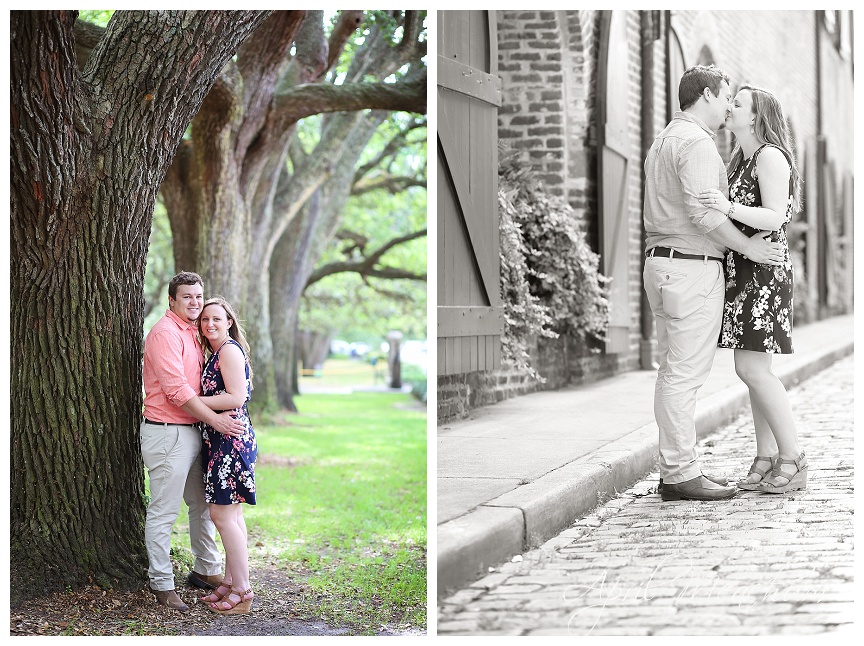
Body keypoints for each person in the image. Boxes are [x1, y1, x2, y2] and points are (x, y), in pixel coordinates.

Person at [642, 65, 785, 502]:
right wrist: (750, 249)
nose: (727, 106)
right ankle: (680, 471)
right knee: (683, 376)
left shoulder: (663, 139)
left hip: (662, 265)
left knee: (672, 372)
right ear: (706, 95)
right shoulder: (699, 143)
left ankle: (676, 466)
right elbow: (706, 215)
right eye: (726, 97)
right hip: (690, 268)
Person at [697, 84, 806, 494]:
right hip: (745, 268)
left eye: (737, 104)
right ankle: (765, 456)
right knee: (755, 372)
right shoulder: (740, 159)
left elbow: (775, 215)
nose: (729, 108)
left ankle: (793, 458)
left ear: (757, 117)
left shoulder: (770, 156)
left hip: (764, 272)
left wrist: (726, 207)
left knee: (752, 369)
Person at [141, 272, 246, 611]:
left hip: (193, 432)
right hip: (168, 431)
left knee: (202, 507)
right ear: (171, 300)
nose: (194, 302)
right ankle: (161, 582)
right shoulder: (165, 334)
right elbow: (176, 391)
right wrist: (215, 419)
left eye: (198, 296)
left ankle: (207, 569)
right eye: (186, 296)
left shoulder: (195, 332)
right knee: (164, 511)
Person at [195, 297, 258, 615]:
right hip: (222, 439)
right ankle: (232, 582)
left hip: (230, 441)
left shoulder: (229, 351)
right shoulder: (216, 353)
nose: (210, 324)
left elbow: (237, 396)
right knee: (232, 516)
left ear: (229, 321)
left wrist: (194, 400)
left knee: (222, 516)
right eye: (205, 320)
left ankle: (243, 592)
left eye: (216, 319)